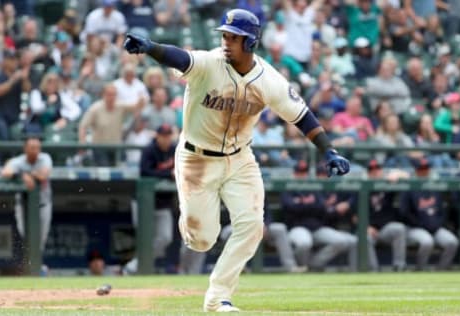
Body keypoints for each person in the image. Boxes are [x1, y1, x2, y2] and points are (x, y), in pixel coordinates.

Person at [124, 8, 350, 312]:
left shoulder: (268, 79)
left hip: (240, 158)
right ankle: (192, 224)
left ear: (251, 43)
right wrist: (151, 48)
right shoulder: (210, 63)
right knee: (203, 240)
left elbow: (302, 116)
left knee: (252, 225)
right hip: (196, 159)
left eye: (234, 37)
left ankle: (218, 298)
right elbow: (181, 57)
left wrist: (328, 150)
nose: (226, 42)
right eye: (225, 36)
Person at [124, 123, 176, 275]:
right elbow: (145, 172)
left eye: (168, 135)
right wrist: (168, 175)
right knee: (143, 238)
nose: (165, 139)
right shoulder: (149, 150)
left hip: (163, 203)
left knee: (165, 238)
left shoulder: (175, 150)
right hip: (143, 203)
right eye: (163, 135)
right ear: (157, 136)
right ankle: (140, 267)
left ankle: (135, 265)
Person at [399, 158, 459, 270]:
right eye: (421, 169)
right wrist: (420, 224)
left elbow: (443, 210)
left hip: (435, 228)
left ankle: (441, 270)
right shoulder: (409, 187)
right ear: (416, 171)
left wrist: (438, 223)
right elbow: (404, 212)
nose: (424, 171)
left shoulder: (435, 186)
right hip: (415, 228)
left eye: (426, 168)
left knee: (452, 242)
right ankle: (420, 270)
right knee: (427, 242)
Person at [0, 137, 53, 251]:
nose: (35, 151)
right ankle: (31, 266)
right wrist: (22, 176)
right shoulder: (19, 161)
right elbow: (5, 172)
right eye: (32, 148)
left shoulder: (45, 158)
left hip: (43, 205)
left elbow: (43, 176)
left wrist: (29, 174)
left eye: (38, 148)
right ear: (25, 149)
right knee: (27, 238)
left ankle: (37, 266)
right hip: (23, 206)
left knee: (41, 240)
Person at [364, 159, 408, 271]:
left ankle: (399, 267)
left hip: (386, 229)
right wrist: (365, 227)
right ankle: (373, 270)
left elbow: (407, 176)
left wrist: (397, 173)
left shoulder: (387, 184)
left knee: (399, 228)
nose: (375, 172)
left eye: (377, 169)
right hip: (369, 229)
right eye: (372, 170)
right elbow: (354, 215)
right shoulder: (363, 187)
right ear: (368, 173)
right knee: (365, 237)